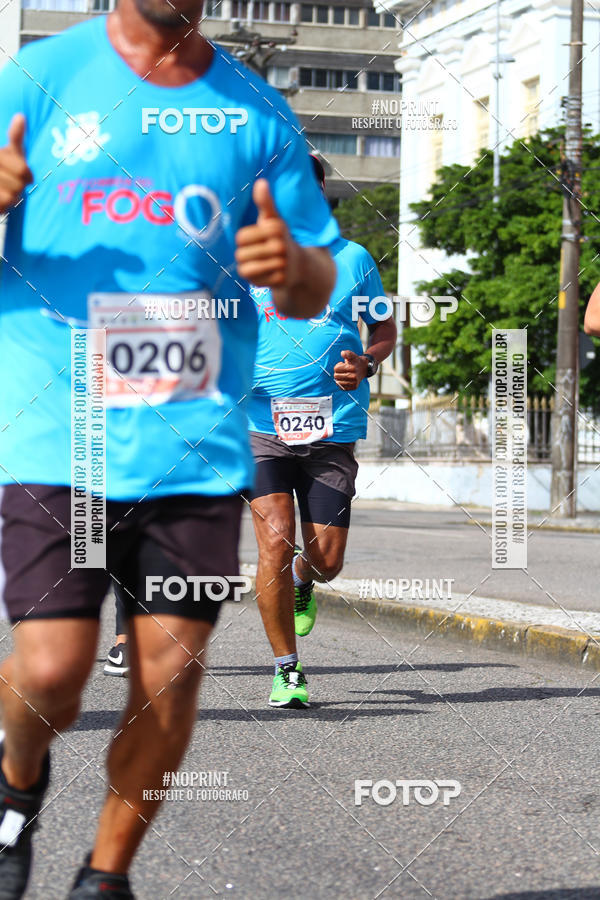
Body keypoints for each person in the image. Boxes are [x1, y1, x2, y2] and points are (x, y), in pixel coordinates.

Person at [0, 0, 339, 894]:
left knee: (167, 681)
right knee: (52, 669)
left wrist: (292, 271)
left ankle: (104, 877)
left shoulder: (254, 112)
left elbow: (315, 274)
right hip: (57, 434)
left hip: (194, 444)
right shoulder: (40, 78)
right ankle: (16, 781)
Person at [248, 155, 397, 709]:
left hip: (333, 428)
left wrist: (368, 361)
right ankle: (288, 671)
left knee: (327, 559)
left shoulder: (353, 259)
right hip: (260, 425)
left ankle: (307, 580)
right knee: (274, 538)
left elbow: (382, 325)